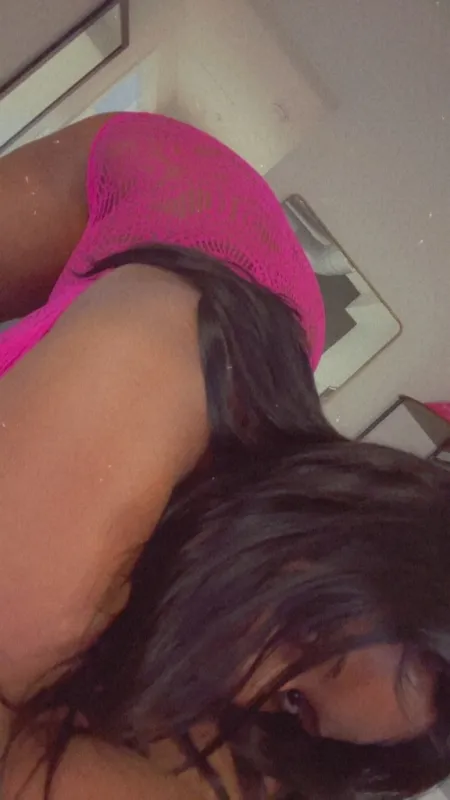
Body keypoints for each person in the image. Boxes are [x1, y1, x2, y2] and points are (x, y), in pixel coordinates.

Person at [0, 112, 449, 800]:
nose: (242, 681)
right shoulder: (149, 382)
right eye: (309, 629)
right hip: (185, 197)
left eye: (294, 704)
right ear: (348, 515)